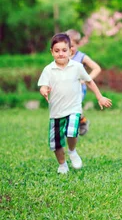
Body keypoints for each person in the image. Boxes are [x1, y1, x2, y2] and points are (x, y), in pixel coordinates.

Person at [38, 33, 112, 174]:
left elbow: (89, 81)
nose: (61, 54)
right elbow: (43, 85)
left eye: (64, 50)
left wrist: (99, 97)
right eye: (57, 51)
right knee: (56, 143)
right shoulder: (48, 69)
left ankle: (72, 151)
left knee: (71, 132)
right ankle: (62, 164)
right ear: (51, 52)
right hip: (56, 112)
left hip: (73, 108)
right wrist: (44, 90)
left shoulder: (77, 66)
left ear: (70, 51)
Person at [65, 29, 102, 136]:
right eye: (67, 46)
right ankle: (83, 121)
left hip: (79, 89)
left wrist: (86, 79)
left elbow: (97, 68)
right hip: (66, 89)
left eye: (72, 46)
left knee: (74, 109)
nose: (70, 49)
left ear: (78, 44)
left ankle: (73, 130)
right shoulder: (62, 56)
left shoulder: (81, 57)